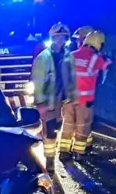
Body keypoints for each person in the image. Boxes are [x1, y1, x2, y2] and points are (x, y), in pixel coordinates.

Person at [31, 23, 77, 174]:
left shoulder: (68, 55)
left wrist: (72, 96)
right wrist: (40, 103)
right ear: (52, 38)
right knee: (50, 131)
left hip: (64, 101)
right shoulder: (44, 58)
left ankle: (57, 153)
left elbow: (71, 77)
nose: (60, 41)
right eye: (57, 38)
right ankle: (49, 159)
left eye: (63, 38)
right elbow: (37, 81)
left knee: (58, 128)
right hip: (49, 101)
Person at [59, 31, 111, 161]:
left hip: (68, 99)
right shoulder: (95, 58)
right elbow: (106, 65)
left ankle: (64, 152)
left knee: (67, 125)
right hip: (84, 101)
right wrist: (107, 59)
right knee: (82, 126)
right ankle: (78, 153)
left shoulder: (71, 55)